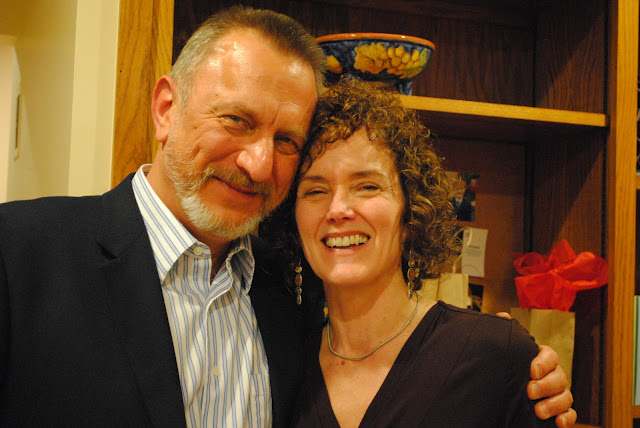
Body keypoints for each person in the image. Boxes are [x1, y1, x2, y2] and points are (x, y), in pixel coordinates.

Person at [0, 6, 574, 427]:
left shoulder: (283, 299)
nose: (257, 163)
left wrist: (512, 362)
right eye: (237, 120)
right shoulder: (18, 255)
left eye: (286, 141)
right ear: (166, 108)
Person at [262, 77, 573, 427]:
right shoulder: (281, 366)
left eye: (367, 186)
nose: (337, 210)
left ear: (411, 212)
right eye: (315, 191)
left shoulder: (495, 356)